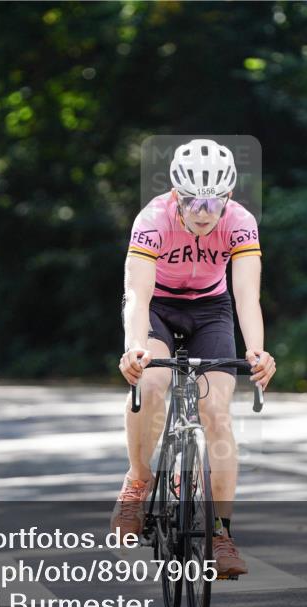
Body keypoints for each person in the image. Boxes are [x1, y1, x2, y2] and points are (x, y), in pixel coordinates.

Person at [113, 138, 276, 576]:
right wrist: (135, 348)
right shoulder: (152, 219)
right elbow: (137, 295)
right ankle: (138, 481)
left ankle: (221, 533)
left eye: (213, 201)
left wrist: (257, 351)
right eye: (191, 200)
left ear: (227, 197)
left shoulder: (240, 222)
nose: (202, 212)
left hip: (211, 310)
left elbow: (246, 296)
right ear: (174, 195)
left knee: (216, 411)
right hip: (159, 308)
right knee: (151, 383)